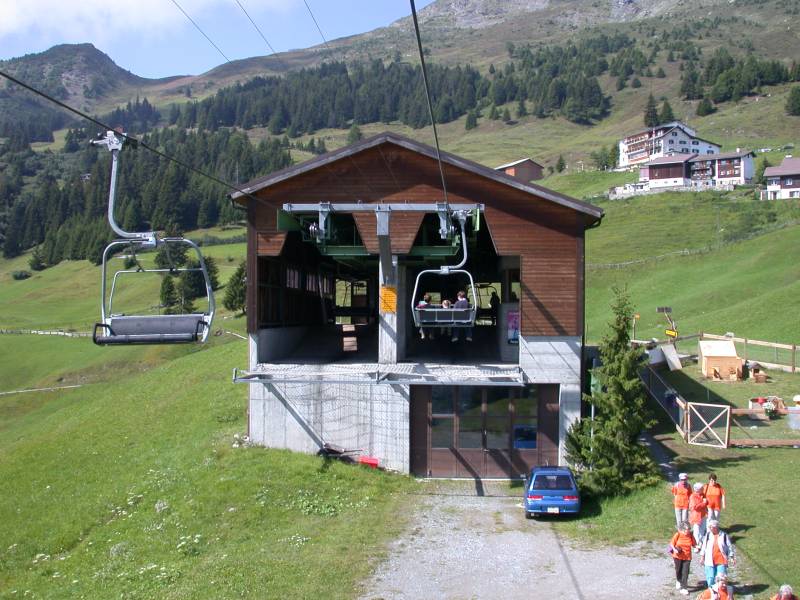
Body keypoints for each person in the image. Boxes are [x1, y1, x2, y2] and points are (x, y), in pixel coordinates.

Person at [700, 520, 735, 589]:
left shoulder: (724, 536)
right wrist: (702, 557)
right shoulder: (708, 535)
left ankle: (720, 592)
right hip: (709, 560)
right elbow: (704, 547)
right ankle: (711, 591)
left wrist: (731, 557)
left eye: (712, 527)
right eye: (710, 527)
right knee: (710, 578)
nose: (711, 529)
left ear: (717, 527)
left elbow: (729, 547)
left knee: (721, 578)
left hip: (721, 560)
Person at [669, 521, 696, 595]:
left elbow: (694, 544)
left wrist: (697, 547)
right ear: (683, 529)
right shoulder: (678, 534)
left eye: (689, 529)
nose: (688, 530)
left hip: (687, 557)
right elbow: (672, 544)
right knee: (678, 570)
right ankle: (678, 580)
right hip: (677, 556)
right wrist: (675, 550)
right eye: (687, 529)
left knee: (685, 572)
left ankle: (684, 588)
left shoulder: (690, 535)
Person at [689, 482, 708, 550]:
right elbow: (695, 507)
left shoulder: (702, 494)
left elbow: (706, 503)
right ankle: (696, 545)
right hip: (696, 516)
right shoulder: (693, 496)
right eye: (702, 488)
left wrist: (706, 502)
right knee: (696, 531)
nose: (703, 489)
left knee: (702, 530)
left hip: (703, 515)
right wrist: (704, 503)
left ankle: (700, 543)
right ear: (697, 489)